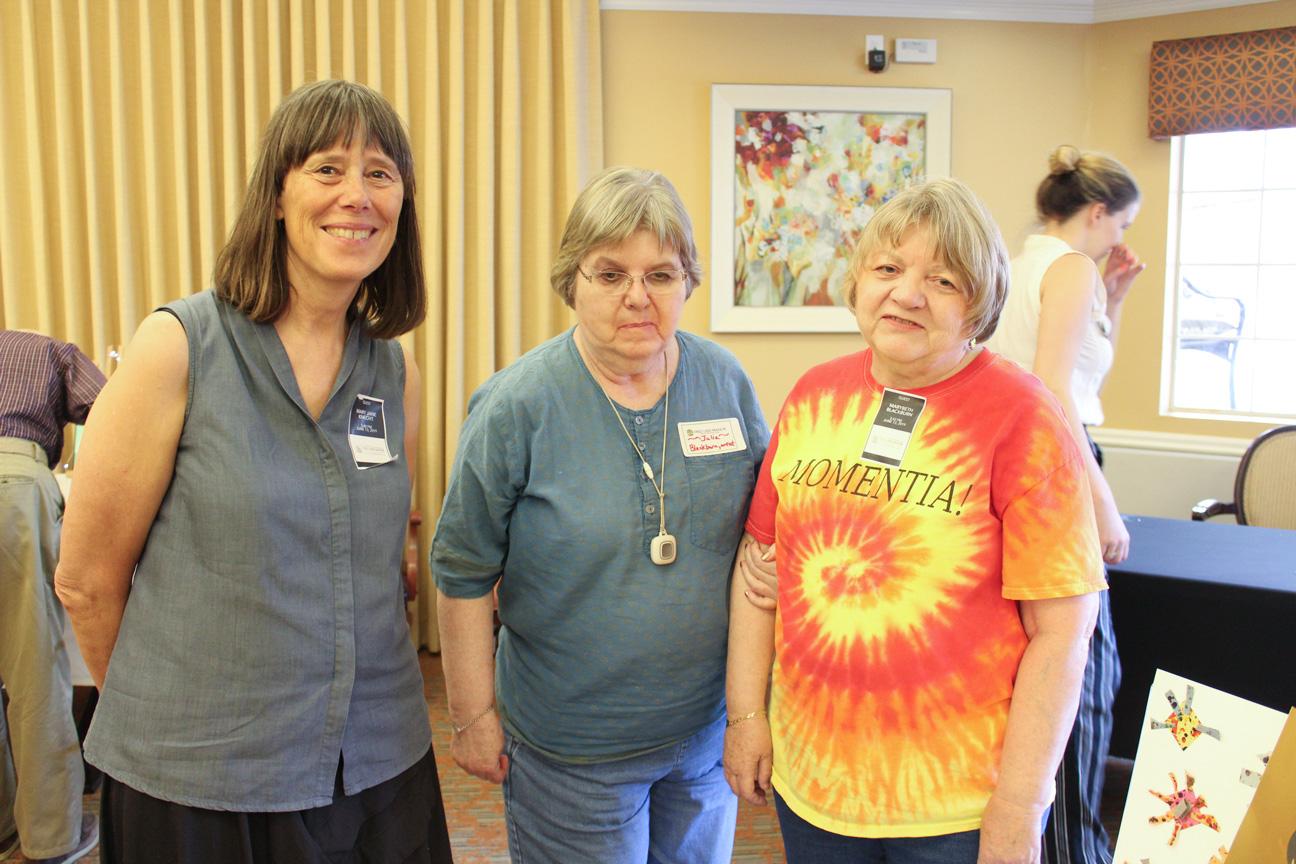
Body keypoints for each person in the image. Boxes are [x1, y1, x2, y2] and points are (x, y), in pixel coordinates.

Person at [53, 80, 453, 864]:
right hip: (202, 786)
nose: (356, 196)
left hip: (377, 767)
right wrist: (171, 719)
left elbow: (380, 570)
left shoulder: (393, 374)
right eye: (327, 168)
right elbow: (86, 579)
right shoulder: (179, 347)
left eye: (380, 173)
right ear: (276, 194)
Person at [724, 177, 1106, 863]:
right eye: (889, 268)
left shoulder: (1024, 417)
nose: (907, 293)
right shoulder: (814, 396)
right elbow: (758, 573)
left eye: (944, 281)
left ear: (979, 304)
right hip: (813, 783)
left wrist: (1022, 806)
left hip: (955, 804)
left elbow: (1063, 632)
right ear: (859, 280)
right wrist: (746, 716)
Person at [432, 166, 770, 863]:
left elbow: (762, 537)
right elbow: (462, 570)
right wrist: (471, 716)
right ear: (572, 281)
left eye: (662, 275)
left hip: (704, 739)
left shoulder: (725, 383)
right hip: (572, 749)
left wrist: (749, 712)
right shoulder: (516, 405)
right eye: (610, 274)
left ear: (689, 282)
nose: (638, 298)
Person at [986, 145, 1144, 864]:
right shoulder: (1072, 267)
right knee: (1084, 670)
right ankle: (1078, 848)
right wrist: (1101, 505)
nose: (1120, 241)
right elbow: (1055, 392)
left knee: (1036, 660)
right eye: (1121, 224)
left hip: (1014, 468)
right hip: (1063, 466)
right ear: (1097, 211)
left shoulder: (1016, 267)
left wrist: (1115, 300)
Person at [0, 330, 105, 863]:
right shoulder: (40, 350)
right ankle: (50, 837)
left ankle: (2, 830)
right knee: (33, 670)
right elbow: (111, 407)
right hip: (12, 484)